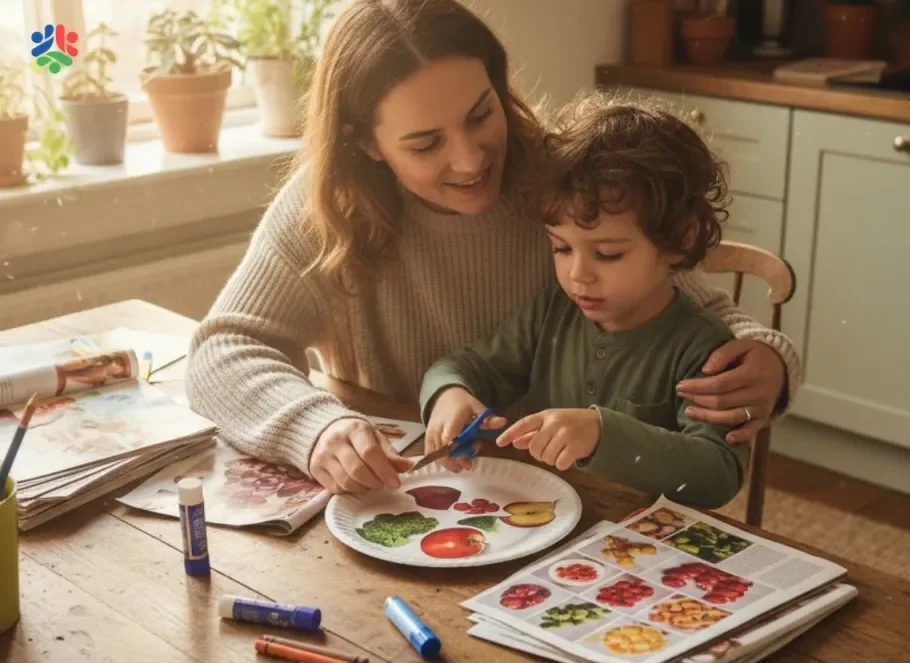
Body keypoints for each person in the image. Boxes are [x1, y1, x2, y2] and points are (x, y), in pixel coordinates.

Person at [185, 0, 802, 496]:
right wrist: (316, 429)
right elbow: (223, 349)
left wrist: (769, 361)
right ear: (366, 144)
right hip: (413, 497)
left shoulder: (563, 184)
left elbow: (686, 301)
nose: (470, 160)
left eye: (481, 114)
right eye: (426, 144)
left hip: (550, 503)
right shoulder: (328, 207)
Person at [419, 95, 746, 508]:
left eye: (608, 254)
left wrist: (603, 435)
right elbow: (463, 366)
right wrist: (448, 394)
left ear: (681, 239)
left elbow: (718, 474)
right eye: (561, 248)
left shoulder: (706, 351)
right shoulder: (552, 312)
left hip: (639, 538)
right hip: (543, 520)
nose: (578, 274)